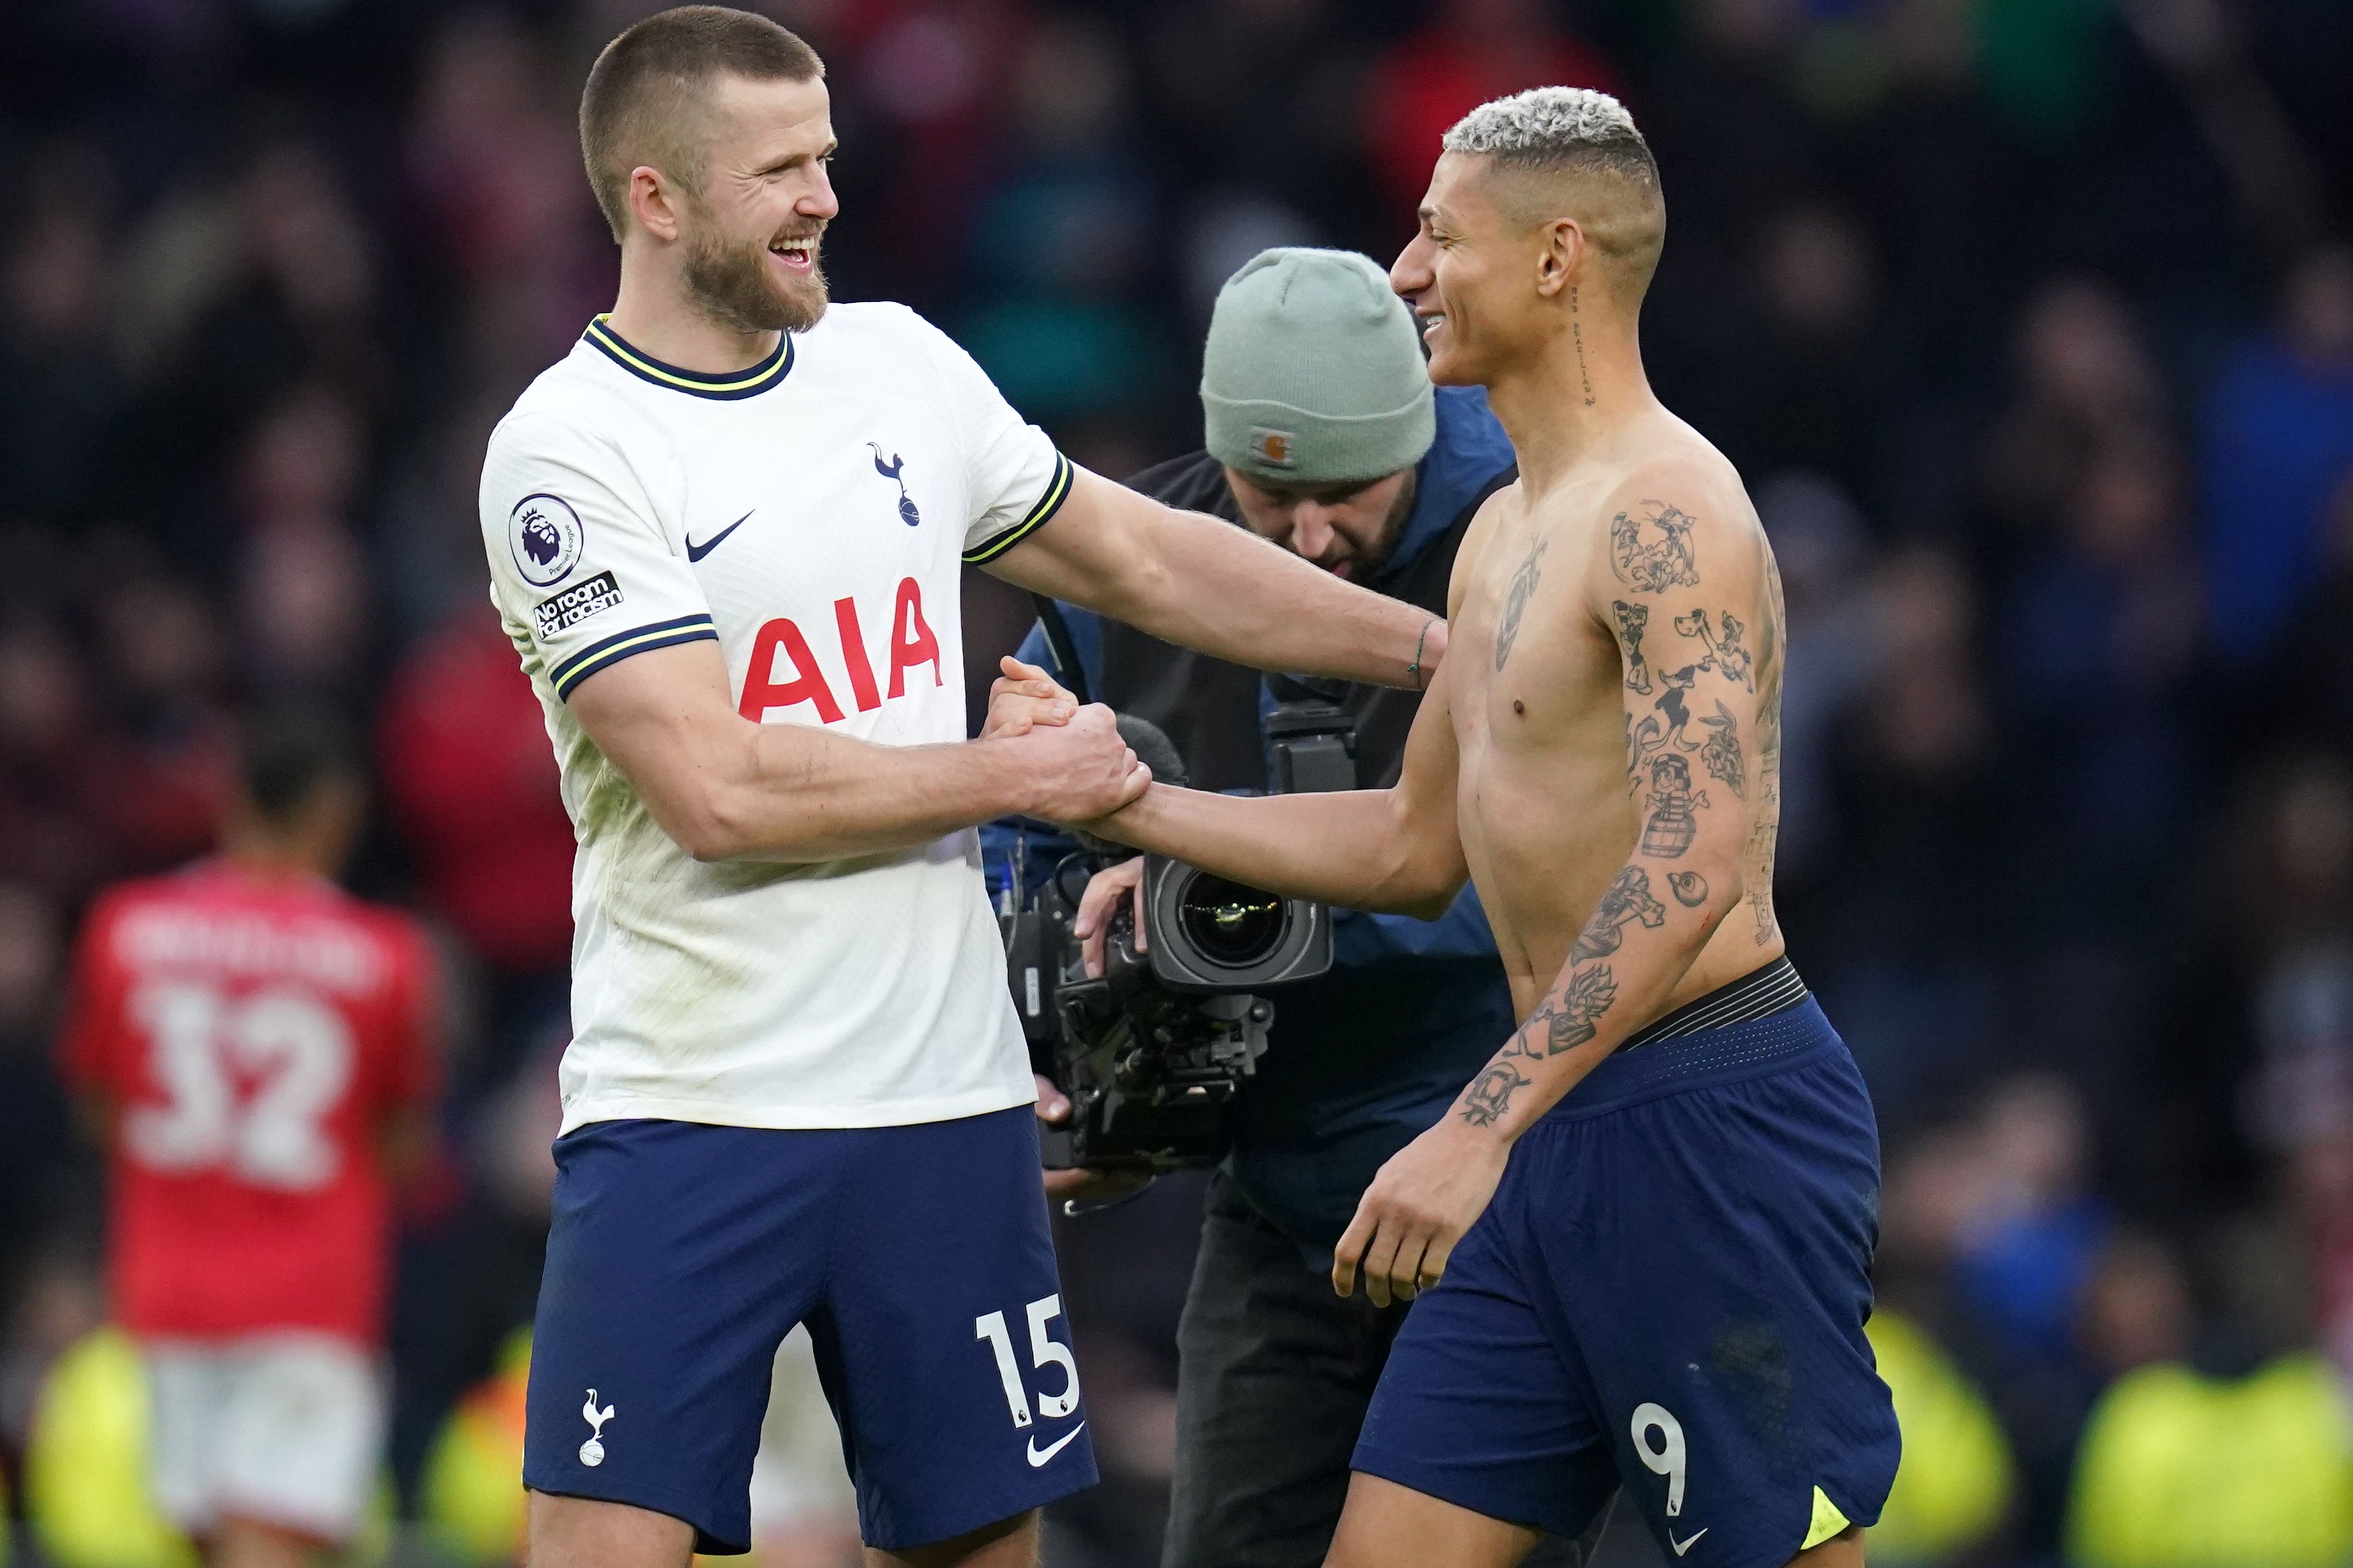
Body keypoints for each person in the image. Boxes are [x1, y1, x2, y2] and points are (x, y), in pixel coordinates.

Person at [474, 11, 1443, 1568]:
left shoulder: (901, 364)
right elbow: (714, 785)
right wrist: (1022, 772)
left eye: (829, 158)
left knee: (984, 1547)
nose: (824, 198)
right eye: (780, 168)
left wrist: (1443, 649)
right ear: (654, 199)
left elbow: (1142, 553)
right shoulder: (569, 450)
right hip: (697, 1100)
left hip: (947, 1101)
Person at [1064, 87, 1899, 1567]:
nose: (1403, 273)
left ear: (1557, 257)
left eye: (1439, 234)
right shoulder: (1508, 527)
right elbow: (1410, 843)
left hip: (1703, 1117)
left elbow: (1699, 854)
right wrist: (1133, 804)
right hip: (1546, 1137)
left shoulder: (1666, 510)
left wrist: (1478, 1120)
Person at [992, 245, 1576, 1568]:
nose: (1311, 537)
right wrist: (1050, 1036)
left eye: (1349, 493)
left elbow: (1606, 867)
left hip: (1514, 1173)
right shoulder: (1141, 556)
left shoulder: (1542, 527)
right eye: (1272, 494)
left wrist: (1230, 871)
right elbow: (1009, 797)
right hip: (1281, 1192)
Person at [57, 706, 440, 1568]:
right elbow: (400, 1146)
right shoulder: (384, 958)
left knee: (211, 1538)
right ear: (335, 813)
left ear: (231, 799)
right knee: (269, 1546)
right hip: (309, 1298)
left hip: (165, 1289)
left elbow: (96, 1106)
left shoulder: (124, 930)